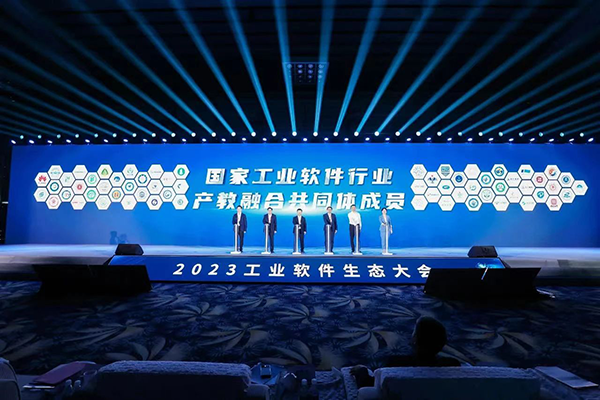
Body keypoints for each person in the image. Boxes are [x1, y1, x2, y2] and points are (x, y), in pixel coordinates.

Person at [350, 317, 460, 388]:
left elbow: (371, 385)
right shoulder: (453, 365)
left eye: (414, 332)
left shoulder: (395, 364)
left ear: (414, 341)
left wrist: (362, 371)